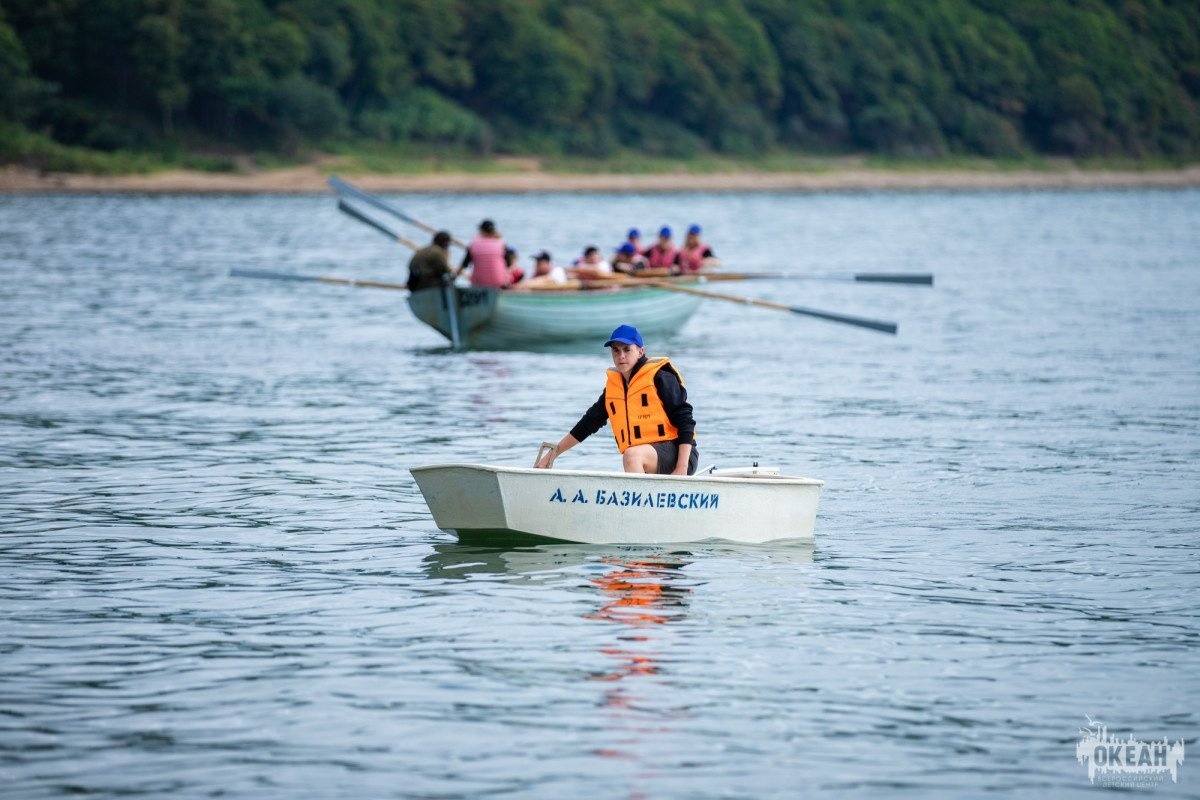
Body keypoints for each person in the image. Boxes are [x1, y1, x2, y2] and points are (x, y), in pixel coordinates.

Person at [534, 324, 698, 475]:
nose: (621, 356)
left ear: (640, 351)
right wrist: (551, 455)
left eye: (627, 350)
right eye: (616, 350)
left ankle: (639, 497)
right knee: (632, 455)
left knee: (631, 456)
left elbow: (686, 420)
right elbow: (587, 424)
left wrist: (681, 469)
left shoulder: (660, 377)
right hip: (645, 457)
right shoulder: (614, 387)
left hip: (680, 455)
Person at [459, 219, 515, 288]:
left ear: (481, 231)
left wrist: (454, 277)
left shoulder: (474, 243)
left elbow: (464, 264)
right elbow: (509, 264)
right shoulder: (501, 243)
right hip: (500, 283)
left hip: (478, 283)